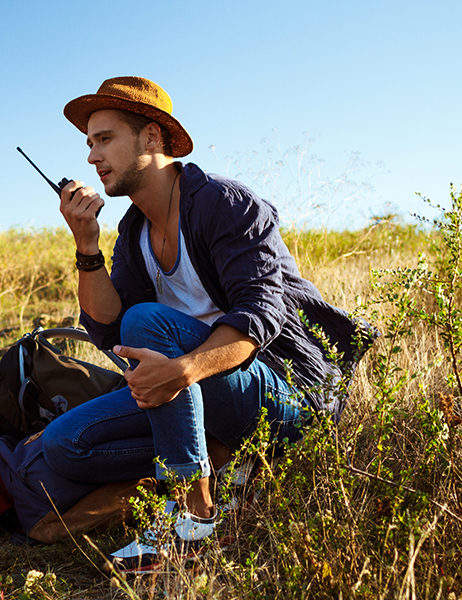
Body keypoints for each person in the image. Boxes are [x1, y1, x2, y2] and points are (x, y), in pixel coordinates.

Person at [40, 76, 372, 572]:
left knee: (149, 321)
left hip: (287, 396)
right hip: (202, 389)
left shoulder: (226, 204)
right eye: (88, 143)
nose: (91, 157)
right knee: (63, 444)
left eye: (105, 139)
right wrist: (87, 246)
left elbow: (260, 319)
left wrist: (181, 372)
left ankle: (195, 517)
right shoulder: (134, 233)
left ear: (151, 138)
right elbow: (109, 332)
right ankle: (216, 455)